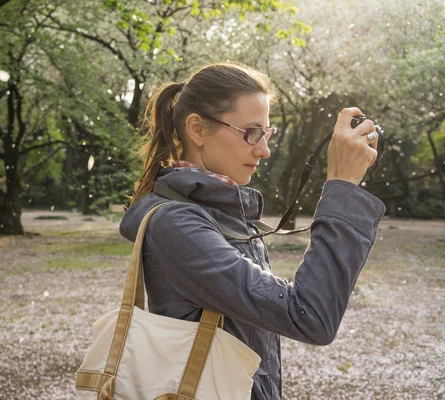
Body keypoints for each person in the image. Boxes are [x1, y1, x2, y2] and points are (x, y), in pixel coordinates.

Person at [119, 62, 386, 400]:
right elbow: (310, 315)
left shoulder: (219, 212)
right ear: (198, 130)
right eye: (251, 132)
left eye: (266, 133)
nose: (264, 150)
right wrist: (342, 185)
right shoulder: (177, 225)